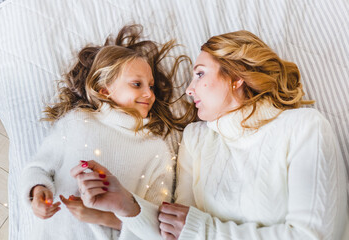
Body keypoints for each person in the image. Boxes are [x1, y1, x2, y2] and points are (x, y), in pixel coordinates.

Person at [73, 30, 348, 240]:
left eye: (200, 74)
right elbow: (176, 230)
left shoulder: (304, 127)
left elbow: (313, 236)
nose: (189, 90)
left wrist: (206, 231)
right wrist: (127, 204)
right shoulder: (196, 139)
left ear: (236, 77)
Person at [20, 24, 195, 240]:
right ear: (104, 90)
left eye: (151, 87)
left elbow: (155, 226)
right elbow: (38, 167)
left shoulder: (155, 149)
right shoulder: (77, 122)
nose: (149, 94)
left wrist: (98, 216)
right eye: (137, 84)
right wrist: (37, 193)